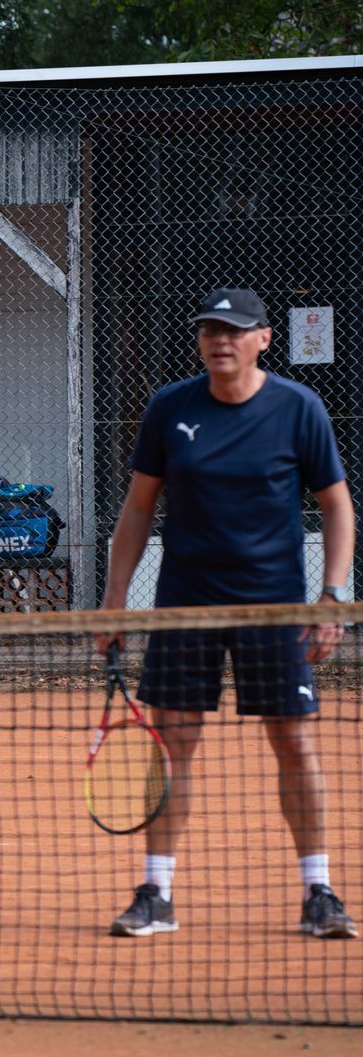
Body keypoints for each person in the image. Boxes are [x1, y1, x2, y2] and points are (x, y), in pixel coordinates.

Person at [98, 287, 357, 940]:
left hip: (274, 605)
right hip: (184, 604)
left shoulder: (299, 408)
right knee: (174, 745)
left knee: (294, 743)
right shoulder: (170, 408)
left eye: (235, 331)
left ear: (263, 338)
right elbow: (136, 509)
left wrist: (331, 596)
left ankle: (319, 891)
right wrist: (114, 600)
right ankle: (156, 891)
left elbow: (336, 505)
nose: (221, 340)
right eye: (210, 329)